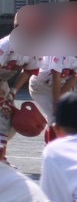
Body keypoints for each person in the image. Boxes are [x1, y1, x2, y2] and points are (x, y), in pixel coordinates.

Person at [0, 33, 39, 161]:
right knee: (3, 118)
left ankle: (1, 157)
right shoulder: (5, 45)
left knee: (9, 119)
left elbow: (28, 70)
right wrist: (2, 99)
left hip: (2, 82)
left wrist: (13, 92)